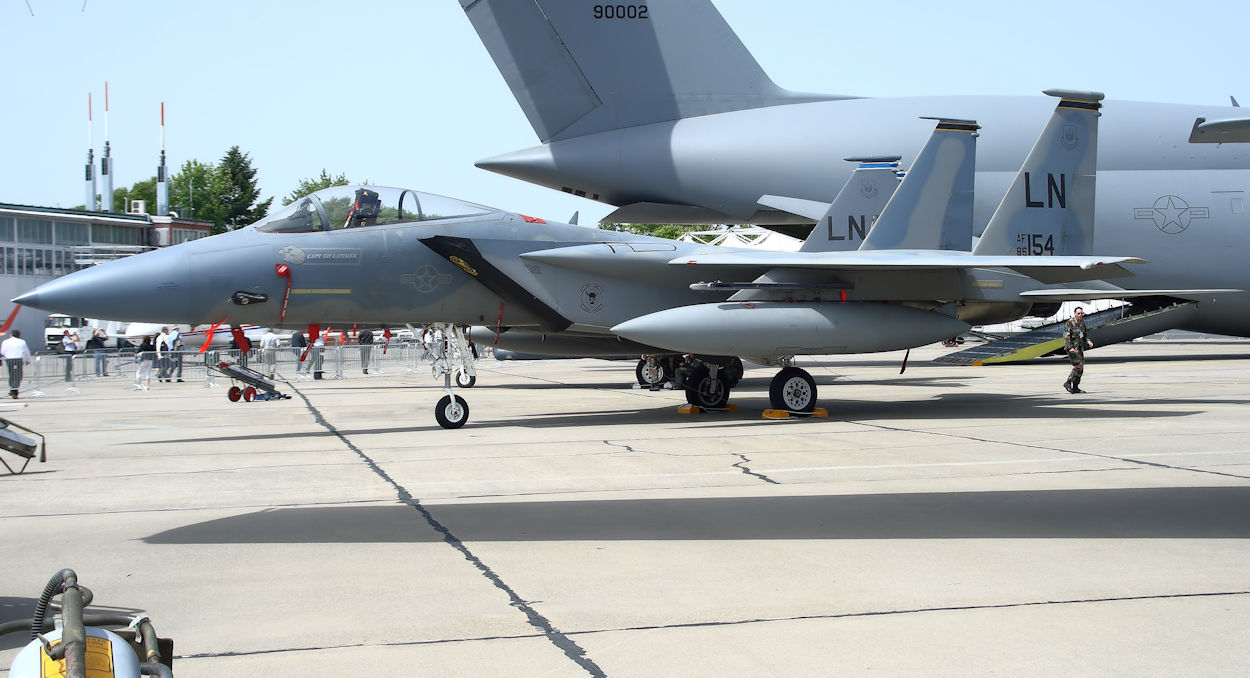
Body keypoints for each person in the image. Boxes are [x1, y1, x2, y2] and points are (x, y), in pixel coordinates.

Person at [1063, 307, 1094, 394]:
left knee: (1081, 368)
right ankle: (1068, 382)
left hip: (1079, 348)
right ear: (1075, 314)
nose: (1080, 315)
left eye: (1081, 313)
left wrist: (1088, 341)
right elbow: (1066, 337)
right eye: (1079, 313)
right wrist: (1070, 348)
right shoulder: (1070, 323)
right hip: (1072, 348)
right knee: (1078, 366)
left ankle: (1075, 386)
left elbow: (1084, 334)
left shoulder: (1082, 323)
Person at [2, 329, 32, 398]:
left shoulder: (5, 342)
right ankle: (14, 390)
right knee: (18, 375)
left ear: (11, 334)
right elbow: (26, 351)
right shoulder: (22, 342)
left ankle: (12, 388)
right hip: (18, 359)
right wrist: (28, 359)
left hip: (9, 359)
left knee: (12, 374)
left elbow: (3, 351)